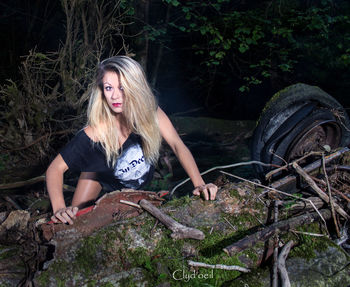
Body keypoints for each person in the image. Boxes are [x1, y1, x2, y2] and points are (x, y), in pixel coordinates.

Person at [46, 55, 218, 225]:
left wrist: (199, 184)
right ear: (101, 91)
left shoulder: (150, 112)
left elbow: (176, 144)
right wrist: (59, 208)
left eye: (122, 87)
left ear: (134, 87)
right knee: (75, 224)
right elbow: (55, 168)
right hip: (100, 176)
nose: (114, 96)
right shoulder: (95, 132)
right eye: (108, 88)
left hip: (143, 185)